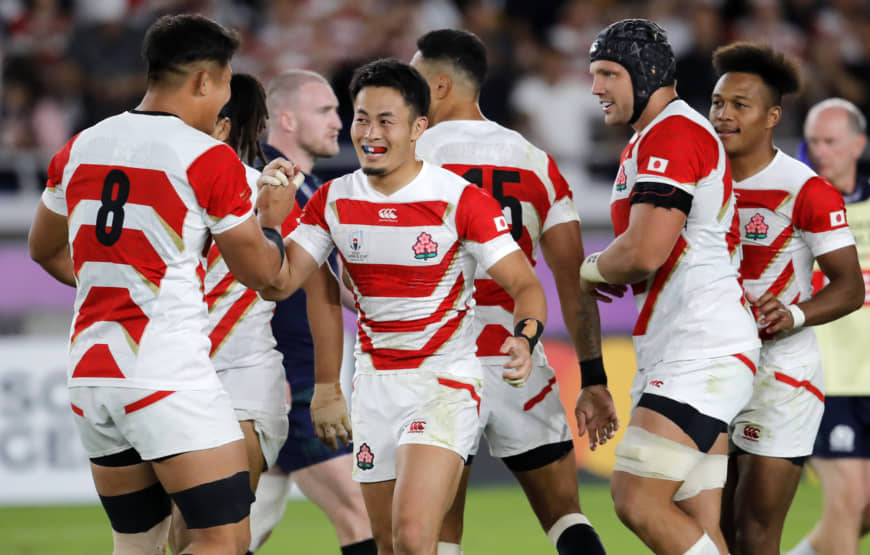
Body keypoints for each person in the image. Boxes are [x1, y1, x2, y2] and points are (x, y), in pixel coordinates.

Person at [27, 14, 299, 555]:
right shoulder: (207, 157)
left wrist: (119, 284)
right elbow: (265, 277)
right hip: (167, 375)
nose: (226, 97)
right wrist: (273, 219)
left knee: (138, 545)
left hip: (93, 374)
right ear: (203, 80)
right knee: (223, 539)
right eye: (225, 81)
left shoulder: (82, 145)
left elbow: (43, 249)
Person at [259, 58, 548, 555]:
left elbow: (526, 283)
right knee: (389, 543)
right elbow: (283, 283)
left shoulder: (460, 200)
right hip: (373, 388)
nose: (368, 133)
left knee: (416, 536)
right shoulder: (332, 200)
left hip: (443, 384)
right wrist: (270, 221)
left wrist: (523, 338)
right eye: (361, 118)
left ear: (418, 128)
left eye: (385, 121)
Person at [409, 28, 615, 555]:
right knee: (566, 517)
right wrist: (592, 378)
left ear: (438, 85)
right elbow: (572, 281)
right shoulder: (535, 161)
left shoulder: (409, 159)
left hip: (436, 360)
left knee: (437, 534)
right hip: (515, 355)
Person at [580, 19, 761, 555]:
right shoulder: (650, 139)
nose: (596, 88)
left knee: (636, 498)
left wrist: (588, 270)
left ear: (648, 74)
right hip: (686, 348)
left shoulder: (674, 134)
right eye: (594, 75)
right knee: (694, 522)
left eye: (609, 73)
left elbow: (644, 251)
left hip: (700, 349)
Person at [709, 43, 864, 555]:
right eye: (717, 103)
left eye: (740, 105)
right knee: (712, 526)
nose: (724, 115)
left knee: (755, 531)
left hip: (781, 377)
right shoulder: (695, 183)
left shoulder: (807, 190)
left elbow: (849, 286)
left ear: (772, 115)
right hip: (709, 369)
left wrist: (795, 312)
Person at [247, 69, 376, 555]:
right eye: (324, 110)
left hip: (294, 374)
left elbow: (341, 282)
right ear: (285, 118)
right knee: (358, 509)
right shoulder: (263, 184)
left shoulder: (309, 190)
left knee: (248, 522)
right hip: (285, 378)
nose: (339, 122)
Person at [787, 99, 870, 555]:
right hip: (826, 382)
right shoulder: (796, 211)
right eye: (813, 141)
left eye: (831, 141)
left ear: (858, 145)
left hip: (869, 376)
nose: (819, 151)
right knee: (849, 499)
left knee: (861, 510)